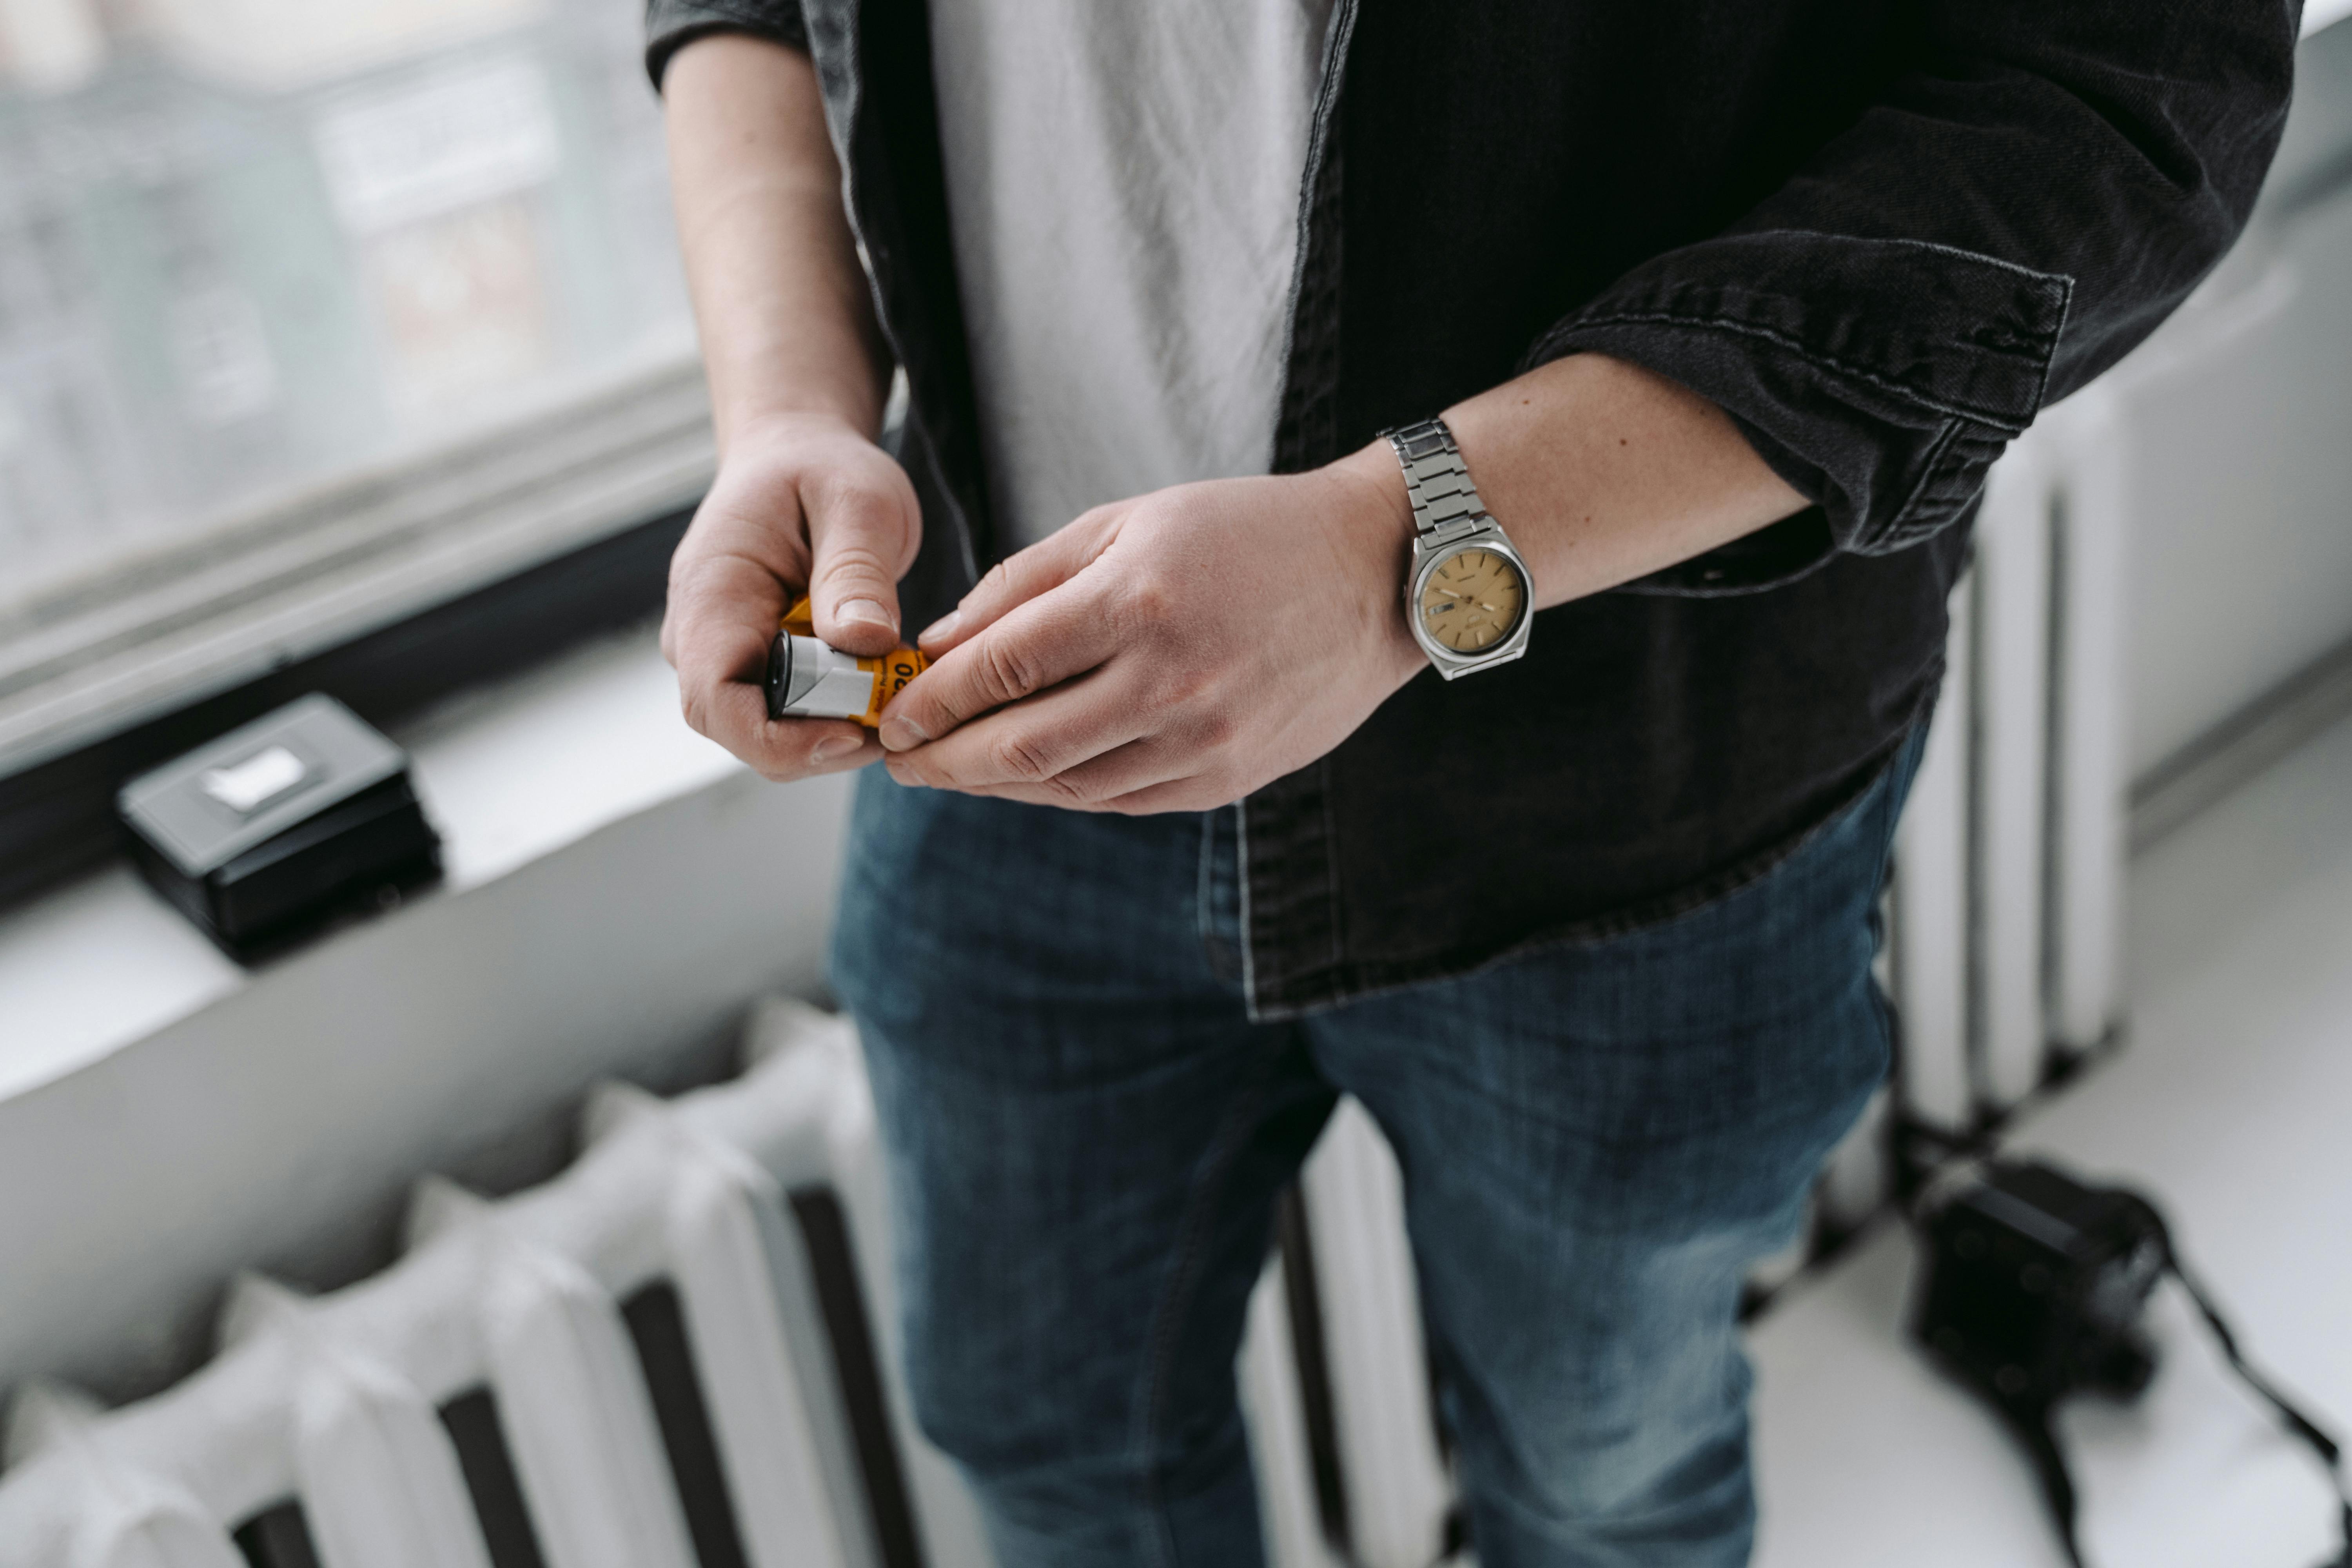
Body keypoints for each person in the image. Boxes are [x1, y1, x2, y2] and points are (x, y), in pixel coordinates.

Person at [643, 2, 2294, 1563]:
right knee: (1035, 1431)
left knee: (1605, 1491)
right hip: (998, 713)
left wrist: (1407, 542)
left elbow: (2129, 88)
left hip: (1645, 770)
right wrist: (792, 404)